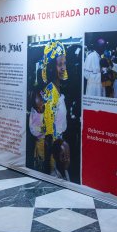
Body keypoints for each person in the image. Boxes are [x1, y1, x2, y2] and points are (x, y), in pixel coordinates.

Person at [40, 40, 69, 179]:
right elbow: (49, 134)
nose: (63, 68)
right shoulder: (51, 93)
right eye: (59, 64)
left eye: (64, 63)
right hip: (55, 155)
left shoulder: (59, 89)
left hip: (59, 150)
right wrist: (51, 165)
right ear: (51, 67)